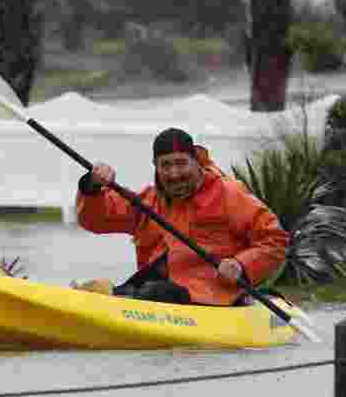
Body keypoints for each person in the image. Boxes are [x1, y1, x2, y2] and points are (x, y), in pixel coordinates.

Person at [75, 127, 288, 305]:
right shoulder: (149, 200)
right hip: (154, 291)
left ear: (196, 161)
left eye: (181, 163)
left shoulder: (229, 194)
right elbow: (95, 219)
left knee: (155, 293)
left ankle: (111, 297)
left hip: (211, 295)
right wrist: (92, 185)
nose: (174, 174)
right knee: (147, 291)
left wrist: (241, 265)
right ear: (156, 167)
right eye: (166, 165)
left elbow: (275, 240)